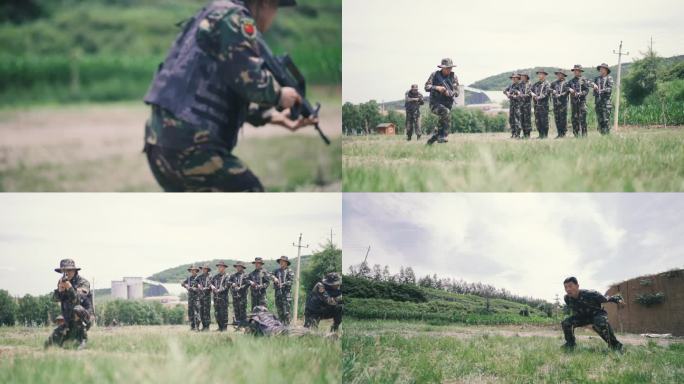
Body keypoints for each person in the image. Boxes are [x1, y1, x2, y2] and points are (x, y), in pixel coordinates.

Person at [142, 0, 317, 192]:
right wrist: (280, 95)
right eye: (276, 8)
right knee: (250, 194)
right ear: (266, 3)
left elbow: (215, 86)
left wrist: (271, 116)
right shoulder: (235, 18)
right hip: (193, 146)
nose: (274, 16)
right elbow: (251, 82)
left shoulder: (213, 12)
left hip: (160, 144)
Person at [561, 276, 624, 351]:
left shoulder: (591, 294)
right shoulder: (567, 298)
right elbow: (574, 310)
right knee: (566, 322)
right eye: (566, 287)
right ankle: (570, 344)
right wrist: (582, 323)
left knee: (600, 322)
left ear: (577, 286)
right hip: (583, 317)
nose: (568, 289)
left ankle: (615, 345)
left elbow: (606, 299)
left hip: (597, 314)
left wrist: (618, 300)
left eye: (570, 286)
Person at [46, 259, 92, 350]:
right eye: (64, 271)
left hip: (85, 318)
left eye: (69, 270)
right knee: (50, 343)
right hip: (68, 320)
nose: (67, 273)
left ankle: (82, 338)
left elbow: (78, 300)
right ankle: (70, 338)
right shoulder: (62, 282)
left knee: (77, 309)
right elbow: (54, 299)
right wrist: (60, 291)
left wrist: (70, 287)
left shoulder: (83, 282)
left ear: (74, 270)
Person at [424, 58, 459, 145]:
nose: (449, 70)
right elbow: (426, 87)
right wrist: (437, 88)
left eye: (450, 68)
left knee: (442, 127)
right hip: (435, 104)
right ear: (442, 68)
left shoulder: (453, 77)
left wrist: (451, 93)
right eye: (447, 68)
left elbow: (457, 92)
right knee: (445, 112)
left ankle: (430, 142)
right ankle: (442, 137)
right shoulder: (435, 75)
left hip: (447, 104)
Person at [567, 65, 591, 137]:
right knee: (574, 119)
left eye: (577, 70)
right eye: (574, 70)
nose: (575, 72)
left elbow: (587, 90)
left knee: (583, 118)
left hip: (582, 102)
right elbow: (566, 87)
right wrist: (569, 89)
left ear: (580, 71)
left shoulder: (584, 80)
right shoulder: (571, 81)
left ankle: (584, 135)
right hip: (574, 103)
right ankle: (576, 134)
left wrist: (581, 93)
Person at [273, 256, 295, 324]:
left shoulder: (289, 271)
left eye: (282, 261)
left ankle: (288, 328)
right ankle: (281, 328)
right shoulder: (276, 271)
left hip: (286, 295)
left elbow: (290, 281)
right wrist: (274, 278)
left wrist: (283, 284)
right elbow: (269, 275)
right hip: (278, 295)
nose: (281, 262)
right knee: (280, 312)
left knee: (286, 313)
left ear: (286, 263)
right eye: (280, 261)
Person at [593, 63, 614, 135]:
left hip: (606, 103)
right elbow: (590, 83)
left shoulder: (609, 78)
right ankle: (602, 135)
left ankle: (607, 135)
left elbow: (609, 89)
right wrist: (593, 85)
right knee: (600, 120)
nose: (601, 70)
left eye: (602, 68)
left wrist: (601, 90)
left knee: (606, 120)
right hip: (598, 103)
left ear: (606, 70)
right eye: (600, 69)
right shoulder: (597, 79)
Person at [530, 70, 551, 139]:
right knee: (538, 121)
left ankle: (545, 135)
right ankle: (540, 134)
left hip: (544, 106)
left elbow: (546, 93)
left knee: (544, 121)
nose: (539, 76)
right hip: (536, 106)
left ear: (544, 75)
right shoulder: (536, 84)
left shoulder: (547, 84)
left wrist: (538, 97)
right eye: (538, 74)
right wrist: (532, 93)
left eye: (541, 74)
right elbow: (530, 90)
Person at [211, 261, 231, 331]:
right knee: (217, 313)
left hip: (223, 298)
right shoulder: (215, 276)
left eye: (221, 266)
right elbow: (210, 283)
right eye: (219, 266)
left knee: (224, 313)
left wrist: (219, 290)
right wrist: (212, 286)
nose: (220, 268)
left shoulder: (227, 276)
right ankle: (219, 327)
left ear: (224, 267)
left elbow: (227, 286)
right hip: (216, 298)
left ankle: (224, 328)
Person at [229, 261, 250, 326]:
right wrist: (232, 284)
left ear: (242, 267)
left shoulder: (246, 275)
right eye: (237, 266)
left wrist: (240, 288)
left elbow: (248, 283)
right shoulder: (233, 275)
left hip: (242, 296)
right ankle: (238, 326)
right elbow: (228, 282)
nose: (238, 268)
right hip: (235, 296)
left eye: (239, 266)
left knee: (242, 311)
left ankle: (243, 325)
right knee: (236, 311)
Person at [181, 265, 201, 331]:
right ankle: (192, 327)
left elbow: (200, 287)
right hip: (190, 298)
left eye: (194, 270)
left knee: (197, 313)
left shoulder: (199, 278)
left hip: (196, 298)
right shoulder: (189, 278)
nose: (192, 271)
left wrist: (193, 289)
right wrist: (186, 286)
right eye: (191, 270)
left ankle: (197, 327)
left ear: (196, 271)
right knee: (190, 313)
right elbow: (182, 283)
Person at [550, 70, 569, 138]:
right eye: (558, 74)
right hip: (556, 104)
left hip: (563, 104)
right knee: (557, 119)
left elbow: (567, 91)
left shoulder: (566, 83)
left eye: (560, 74)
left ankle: (563, 133)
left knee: (563, 119)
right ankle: (559, 133)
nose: (559, 75)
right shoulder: (554, 83)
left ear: (563, 75)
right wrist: (553, 91)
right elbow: (549, 89)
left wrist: (561, 95)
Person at [503, 73, 522, 139]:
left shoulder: (520, 85)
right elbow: (504, 90)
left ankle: (518, 134)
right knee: (511, 120)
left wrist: (516, 95)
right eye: (513, 78)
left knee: (517, 120)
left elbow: (521, 94)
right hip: (512, 104)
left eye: (515, 78)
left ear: (518, 78)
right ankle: (513, 133)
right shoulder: (511, 85)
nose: (513, 79)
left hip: (517, 105)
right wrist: (507, 94)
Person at [197, 264, 213, 331]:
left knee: (207, 312)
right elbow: (195, 282)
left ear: (207, 269)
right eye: (203, 268)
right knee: (202, 312)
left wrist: (206, 288)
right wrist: (198, 285)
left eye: (205, 269)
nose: (204, 270)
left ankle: (207, 327)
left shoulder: (210, 276)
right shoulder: (199, 276)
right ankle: (204, 326)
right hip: (201, 296)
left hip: (207, 296)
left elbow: (212, 284)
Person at [519, 73, 533, 138]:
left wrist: (521, 95)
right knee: (522, 119)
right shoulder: (520, 84)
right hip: (521, 104)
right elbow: (515, 90)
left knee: (527, 119)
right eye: (521, 76)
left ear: (526, 77)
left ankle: (528, 134)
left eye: (522, 76)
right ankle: (524, 134)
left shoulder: (529, 84)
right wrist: (517, 92)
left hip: (527, 104)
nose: (521, 77)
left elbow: (529, 94)